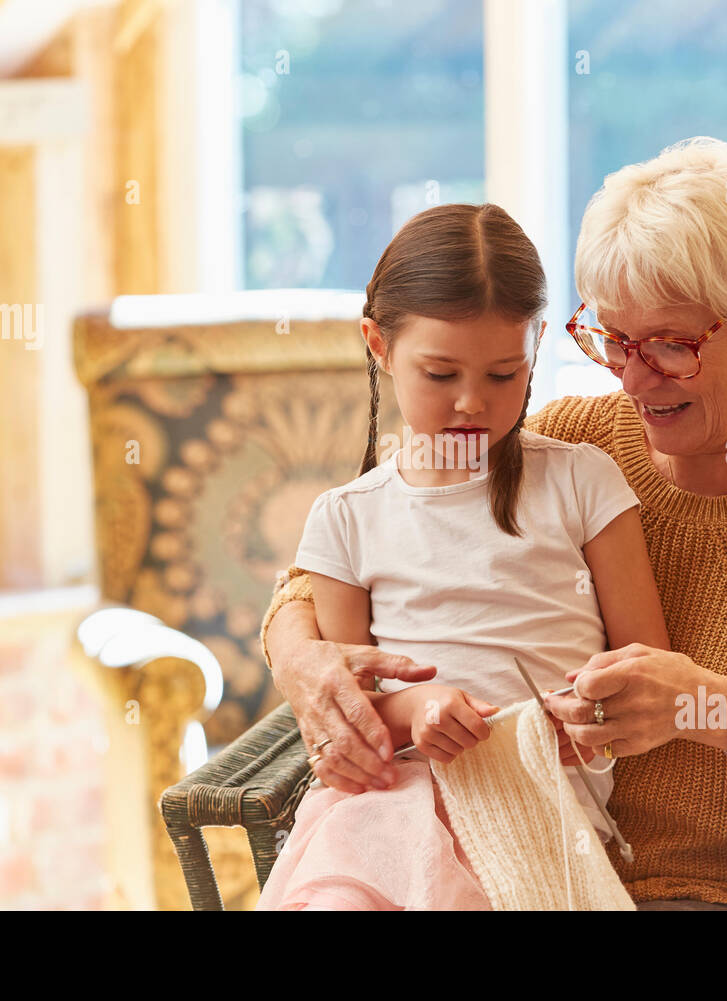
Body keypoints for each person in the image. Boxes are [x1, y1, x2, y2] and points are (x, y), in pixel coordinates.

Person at [259, 137, 727, 911]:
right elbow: (357, 555)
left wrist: (715, 707)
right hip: (519, 860)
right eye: (613, 339)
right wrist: (300, 657)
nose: (633, 379)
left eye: (670, 345)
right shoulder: (581, 440)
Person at [254, 202, 673, 910]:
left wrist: (589, 717)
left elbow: (646, 671)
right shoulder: (344, 519)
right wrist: (416, 707)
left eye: (505, 374)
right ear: (378, 346)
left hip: (537, 815)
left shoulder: (582, 481)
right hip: (389, 806)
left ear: (537, 344)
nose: (472, 402)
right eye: (441, 375)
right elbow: (347, 707)